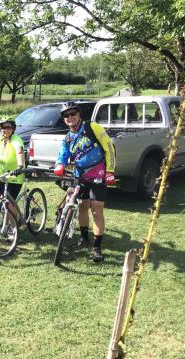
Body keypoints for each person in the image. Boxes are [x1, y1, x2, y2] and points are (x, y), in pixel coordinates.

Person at [53, 101, 116, 262]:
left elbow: (109, 147)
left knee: (96, 210)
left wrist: (110, 170)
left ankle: (97, 247)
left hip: (98, 174)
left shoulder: (92, 127)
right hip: (79, 176)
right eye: (66, 115)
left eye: (73, 113)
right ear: (64, 119)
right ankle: (84, 238)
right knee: (82, 207)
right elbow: (63, 154)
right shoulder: (67, 137)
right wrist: (60, 164)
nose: (70, 117)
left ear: (79, 114)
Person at [0, 117, 25, 208]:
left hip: (15, 175)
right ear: (1, 129)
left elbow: (19, 152)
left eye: (9, 127)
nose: (6, 130)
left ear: (13, 129)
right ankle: (5, 222)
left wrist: (19, 167)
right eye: (4, 127)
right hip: (2, 175)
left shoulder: (16, 139)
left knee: (10, 205)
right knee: (2, 201)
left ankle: (14, 222)